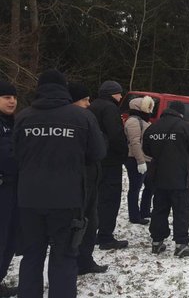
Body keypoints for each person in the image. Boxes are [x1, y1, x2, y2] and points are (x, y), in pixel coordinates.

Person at [14, 70, 106, 297]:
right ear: (64, 88)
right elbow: (97, 152)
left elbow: (15, 153)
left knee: (32, 254)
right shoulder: (82, 117)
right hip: (68, 198)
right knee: (64, 254)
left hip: (29, 198)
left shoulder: (24, 117)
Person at [142, 101, 189, 257]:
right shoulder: (186, 127)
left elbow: (146, 149)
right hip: (179, 175)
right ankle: (181, 243)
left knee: (159, 209)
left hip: (158, 175)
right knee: (181, 210)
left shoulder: (152, 128)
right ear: (180, 113)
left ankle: (157, 241)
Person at [67, 82, 109, 276]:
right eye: (84, 99)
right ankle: (75, 259)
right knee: (81, 222)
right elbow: (97, 149)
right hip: (79, 179)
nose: (88, 103)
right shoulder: (77, 119)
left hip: (91, 177)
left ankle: (85, 259)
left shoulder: (87, 116)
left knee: (91, 221)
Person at [89, 80, 129, 250]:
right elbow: (116, 134)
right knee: (110, 199)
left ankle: (93, 232)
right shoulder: (111, 108)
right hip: (110, 160)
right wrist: (123, 152)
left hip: (94, 160)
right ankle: (105, 236)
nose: (121, 97)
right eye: (119, 93)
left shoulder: (91, 107)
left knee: (95, 199)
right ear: (113, 93)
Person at [124, 96, 155, 225]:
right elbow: (135, 142)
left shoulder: (141, 120)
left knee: (150, 186)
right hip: (135, 160)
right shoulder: (133, 122)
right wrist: (140, 161)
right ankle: (134, 215)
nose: (149, 110)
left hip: (145, 159)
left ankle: (145, 210)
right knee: (135, 188)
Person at [0, 80, 18, 296]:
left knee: (10, 237)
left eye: (14, 97)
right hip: (4, 187)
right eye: (6, 97)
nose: (12, 100)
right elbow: (8, 158)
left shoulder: (11, 122)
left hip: (12, 188)